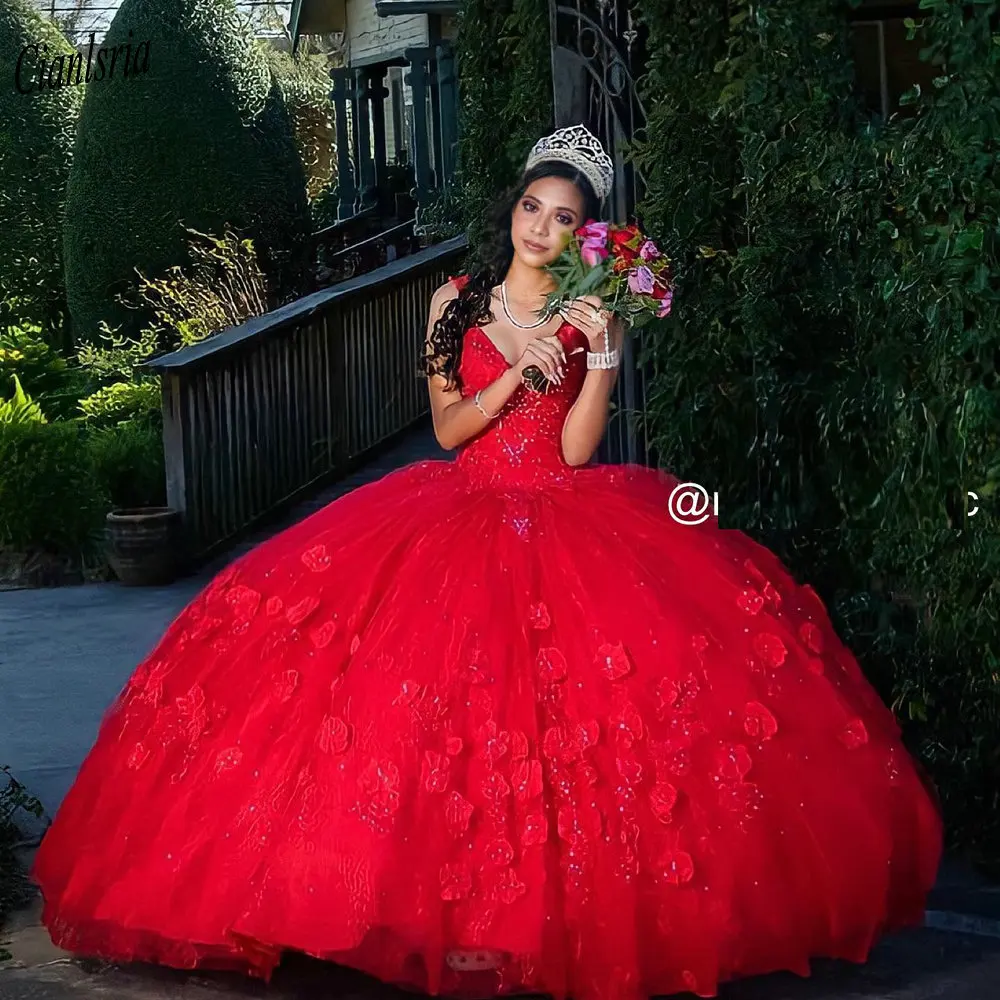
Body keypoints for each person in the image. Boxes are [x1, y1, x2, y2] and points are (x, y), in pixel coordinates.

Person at [33, 125, 942, 1000]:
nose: (540, 228)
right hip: (456, 509)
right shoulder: (455, 303)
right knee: (410, 716)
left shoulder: (588, 314)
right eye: (531, 207)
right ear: (513, 208)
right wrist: (517, 370)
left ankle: (541, 932)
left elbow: (582, 451)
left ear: (582, 234)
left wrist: (599, 358)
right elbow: (447, 428)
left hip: (564, 510)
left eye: (560, 218)